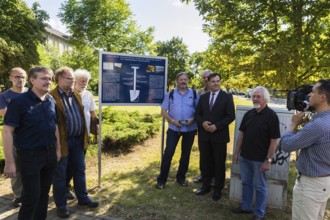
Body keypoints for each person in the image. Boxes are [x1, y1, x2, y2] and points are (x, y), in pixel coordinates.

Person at [2, 66, 61, 219]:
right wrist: (9, 162)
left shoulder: (50, 100)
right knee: (31, 198)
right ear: (32, 80)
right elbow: (7, 131)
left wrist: (58, 150)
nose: (48, 81)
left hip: (49, 154)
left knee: (43, 196)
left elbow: (55, 126)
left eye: (49, 78)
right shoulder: (19, 102)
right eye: (43, 78)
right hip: (30, 156)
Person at [50, 67, 98, 218]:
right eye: (69, 79)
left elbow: (85, 115)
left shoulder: (75, 94)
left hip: (77, 141)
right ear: (59, 79)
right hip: (62, 142)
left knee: (80, 170)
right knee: (60, 174)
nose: (73, 81)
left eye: (73, 79)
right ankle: (61, 206)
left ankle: (83, 199)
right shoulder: (51, 97)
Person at [280, 79, 330, 220]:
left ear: (322, 97)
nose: (309, 95)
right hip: (324, 182)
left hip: (310, 186)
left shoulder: (318, 125)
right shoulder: (323, 121)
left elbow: (286, 145)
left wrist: (293, 125)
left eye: (313, 91)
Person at [232, 86, 280, 220]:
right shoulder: (249, 114)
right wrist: (236, 153)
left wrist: (268, 160)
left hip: (260, 160)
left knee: (260, 187)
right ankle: (246, 207)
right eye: (253, 96)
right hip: (245, 157)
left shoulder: (271, 116)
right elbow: (241, 135)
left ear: (265, 99)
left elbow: (274, 142)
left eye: (258, 96)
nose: (255, 99)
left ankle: (259, 213)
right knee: (246, 182)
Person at [195, 73, 235, 201]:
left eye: (218, 81)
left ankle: (218, 189)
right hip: (204, 136)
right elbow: (197, 114)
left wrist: (216, 126)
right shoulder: (203, 97)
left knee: (219, 163)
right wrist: (203, 123)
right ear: (208, 82)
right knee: (205, 162)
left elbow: (230, 116)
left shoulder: (227, 97)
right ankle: (206, 186)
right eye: (213, 81)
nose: (216, 83)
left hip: (219, 136)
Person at [156, 72, 199, 189]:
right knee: (168, 154)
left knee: (185, 155)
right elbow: (163, 111)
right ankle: (161, 180)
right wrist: (172, 121)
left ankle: (181, 178)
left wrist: (192, 119)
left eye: (185, 79)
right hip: (174, 129)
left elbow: (199, 111)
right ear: (177, 81)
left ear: (187, 81)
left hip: (190, 129)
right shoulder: (170, 94)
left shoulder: (194, 94)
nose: (183, 81)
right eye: (181, 79)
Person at [65, 69, 98, 200]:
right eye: (82, 81)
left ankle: (80, 194)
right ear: (74, 81)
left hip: (83, 136)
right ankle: (65, 187)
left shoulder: (88, 95)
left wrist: (95, 129)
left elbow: (92, 113)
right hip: (68, 136)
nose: (84, 83)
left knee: (79, 166)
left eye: (86, 81)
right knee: (67, 165)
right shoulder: (68, 94)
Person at [0, 67, 27, 207]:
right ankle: (18, 195)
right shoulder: (4, 96)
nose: (20, 79)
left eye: (22, 76)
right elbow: (7, 115)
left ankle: (32, 193)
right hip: (14, 138)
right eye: (16, 77)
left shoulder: (32, 92)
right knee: (16, 168)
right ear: (10, 78)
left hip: (33, 138)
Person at [195, 69, 213, 183]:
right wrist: (202, 123)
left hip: (215, 129)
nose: (206, 79)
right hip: (202, 128)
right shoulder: (200, 92)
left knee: (214, 154)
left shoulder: (220, 91)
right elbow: (197, 110)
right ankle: (203, 174)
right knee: (204, 153)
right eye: (204, 77)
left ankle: (214, 176)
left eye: (208, 77)